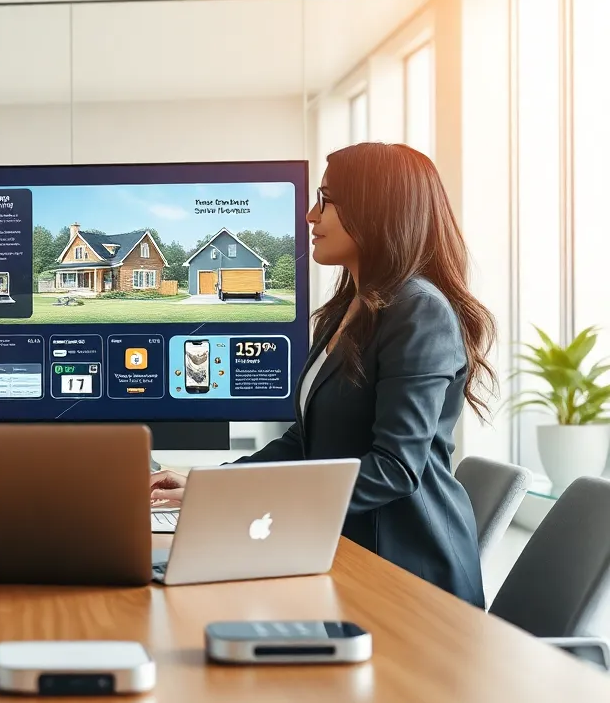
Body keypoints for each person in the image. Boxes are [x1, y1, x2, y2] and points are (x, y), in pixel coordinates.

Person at [151, 142, 496, 608]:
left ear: (377, 211)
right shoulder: (347, 310)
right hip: (342, 552)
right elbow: (304, 441)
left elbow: (394, 468)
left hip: (407, 573)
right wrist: (209, 485)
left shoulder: (419, 311)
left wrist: (245, 503)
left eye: (326, 200)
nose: (311, 216)